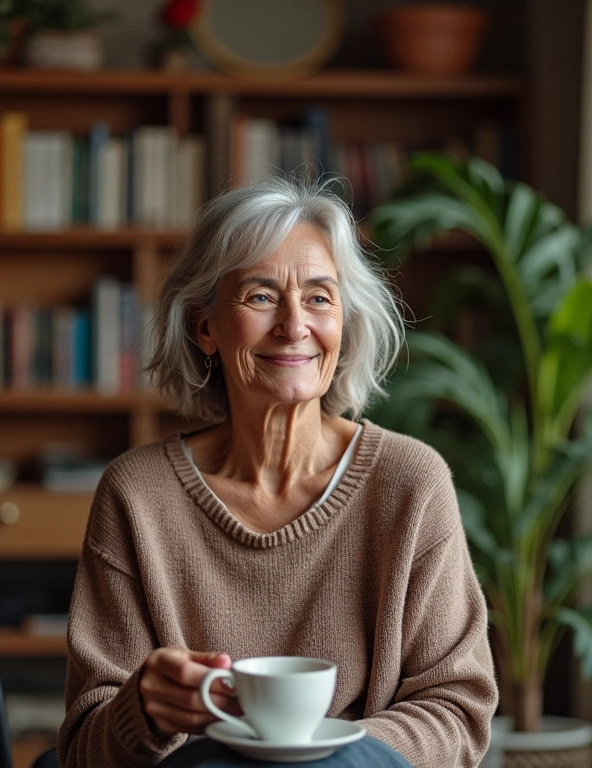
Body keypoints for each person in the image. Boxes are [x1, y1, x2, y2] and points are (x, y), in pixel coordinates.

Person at [57, 177, 498, 768]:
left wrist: (329, 759)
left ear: (344, 323)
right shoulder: (137, 495)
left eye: (319, 297)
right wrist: (144, 708)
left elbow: (458, 710)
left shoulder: (411, 483)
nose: (295, 326)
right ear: (204, 327)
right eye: (261, 297)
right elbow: (83, 752)